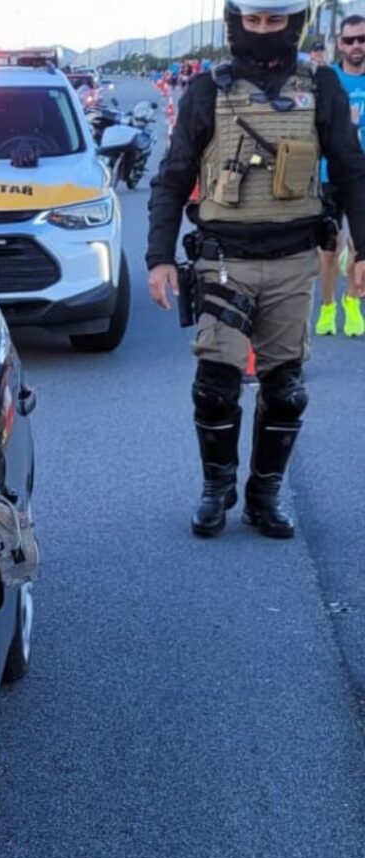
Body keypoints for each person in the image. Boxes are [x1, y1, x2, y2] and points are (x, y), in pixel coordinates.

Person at [147, 0, 365, 540]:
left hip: (293, 262)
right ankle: (215, 489)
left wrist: (362, 253)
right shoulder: (206, 91)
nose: (264, 31)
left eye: (275, 21)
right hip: (224, 261)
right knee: (215, 386)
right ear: (235, 22)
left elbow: (352, 172)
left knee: (286, 388)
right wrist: (157, 259)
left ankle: (264, 496)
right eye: (254, 20)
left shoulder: (322, 89)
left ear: (294, 25)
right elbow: (172, 178)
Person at [315, 15, 365, 337]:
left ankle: (352, 303)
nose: (356, 46)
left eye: (361, 39)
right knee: (329, 248)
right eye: (349, 40)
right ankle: (328, 306)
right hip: (329, 174)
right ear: (340, 44)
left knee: (359, 245)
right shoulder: (327, 80)